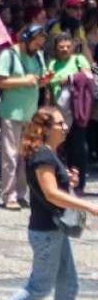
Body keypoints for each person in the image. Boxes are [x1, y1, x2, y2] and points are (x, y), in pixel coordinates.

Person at [0, 105, 94, 300]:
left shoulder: (50, 153)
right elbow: (51, 193)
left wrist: (70, 181)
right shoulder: (42, 155)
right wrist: (88, 206)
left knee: (68, 284)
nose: (65, 127)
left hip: (55, 230)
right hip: (46, 233)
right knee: (40, 287)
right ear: (44, 129)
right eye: (59, 124)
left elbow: (56, 187)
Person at [0, 24, 47, 211]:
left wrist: (44, 80)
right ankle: (9, 195)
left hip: (30, 113)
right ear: (25, 40)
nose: (37, 48)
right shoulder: (9, 55)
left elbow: (37, 80)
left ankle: (22, 194)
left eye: (40, 45)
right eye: (35, 44)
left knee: (26, 155)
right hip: (11, 112)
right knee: (10, 154)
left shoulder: (38, 56)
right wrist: (23, 81)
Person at [44, 31, 94, 190]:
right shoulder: (52, 63)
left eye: (68, 46)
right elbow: (48, 86)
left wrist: (70, 79)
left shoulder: (79, 59)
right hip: (58, 112)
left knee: (77, 147)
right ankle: (61, 182)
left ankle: (78, 185)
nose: (65, 49)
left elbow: (88, 76)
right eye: (61, 47)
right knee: (58, 146)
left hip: (76, 111)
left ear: (72, 46)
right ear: (56, 48)